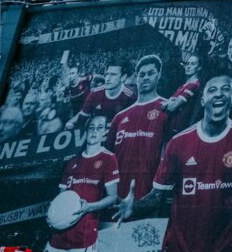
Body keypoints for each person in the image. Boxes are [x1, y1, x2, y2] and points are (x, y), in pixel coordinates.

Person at [114, 72, 232, 252]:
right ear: (202, 100)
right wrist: (134, 207)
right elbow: (157, 195)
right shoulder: (179, 143)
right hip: (179, 250)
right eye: (212, 90)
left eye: (226, 89)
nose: (219, 94)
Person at [45, 114, 119, 252]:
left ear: (104, 132)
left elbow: (112, 197)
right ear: (86, 131)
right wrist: (52, 211)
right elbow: (61, 196)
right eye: (91, 128)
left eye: (99, 128)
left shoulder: (109, 158)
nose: (95, 131)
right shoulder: (72, 162)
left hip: (83, 237)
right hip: (58, 235)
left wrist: (89, 207)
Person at [108, 54, 169, 201]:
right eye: (142, 74)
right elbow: (108, 159)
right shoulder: (120, 117)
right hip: (116, 198)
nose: (146, 77)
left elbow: (169, 155)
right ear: (136, 77)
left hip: (148, 198)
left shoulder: (167, 109)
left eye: (151, 73)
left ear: (158, 75)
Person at [66, 61, 135, 130]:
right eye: (107, 74)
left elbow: (132, 125)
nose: (108, 78)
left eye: (113, 75)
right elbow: (81, 120)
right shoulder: (95, 93)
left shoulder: (130, 96)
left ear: (123, 77)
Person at [163, 53, 202, 134]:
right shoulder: (183, 85)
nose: (188, 66)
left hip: (178, 128)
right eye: (187, 64)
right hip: (169, 126)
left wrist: (170, 102)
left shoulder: (193, 85)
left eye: (193, 64)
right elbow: (165, 105)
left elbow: (171, 108)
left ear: (199, 67)